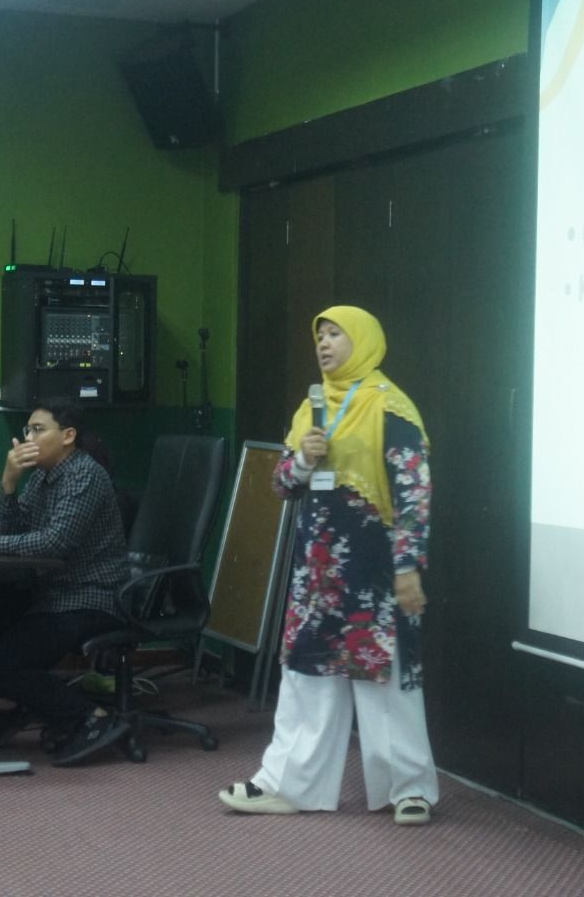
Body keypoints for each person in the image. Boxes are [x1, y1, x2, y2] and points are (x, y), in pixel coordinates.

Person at [220, 305, 439, 824]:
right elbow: (281, 484)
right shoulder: (311, 408)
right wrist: (303, 460)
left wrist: (408, 566)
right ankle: (286, 786)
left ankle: (409, 789)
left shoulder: (390, 406)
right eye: (319, 334)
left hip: (375, 573)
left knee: (383, 678)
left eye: (335, 334)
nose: (323, 343)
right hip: (317, 571)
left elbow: (414, 493)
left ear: (363, 340)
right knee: (307, 675)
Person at [0, 396, 131, 765]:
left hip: (90, 598)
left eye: (38, 430)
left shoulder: (84, 475)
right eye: (27, 430)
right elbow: (14, 531)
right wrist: (8, 483)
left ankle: (90, 716)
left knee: (1, 664)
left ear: (68, 436)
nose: (27, 438)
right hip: (52, 593)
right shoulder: (43, 477)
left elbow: (56, 542)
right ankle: (5, 711)